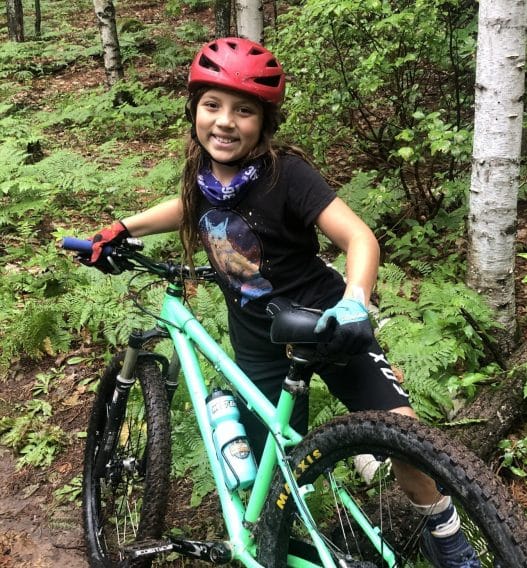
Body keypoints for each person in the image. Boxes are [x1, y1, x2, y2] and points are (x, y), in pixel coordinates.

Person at [87, 37, 480, 568]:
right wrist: (122, 228)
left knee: (405, 436)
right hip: (259, 345)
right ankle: (283, 542)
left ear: (264, 122)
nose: (225, 122)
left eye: (243, 111)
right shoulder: (202, 175)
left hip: (325, 324)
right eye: (212, 105)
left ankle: (447, 536)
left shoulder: (286, 174)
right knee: (267, 476)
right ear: (194, 109)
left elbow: (359, 238)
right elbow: (184, 207)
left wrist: (355, 301)